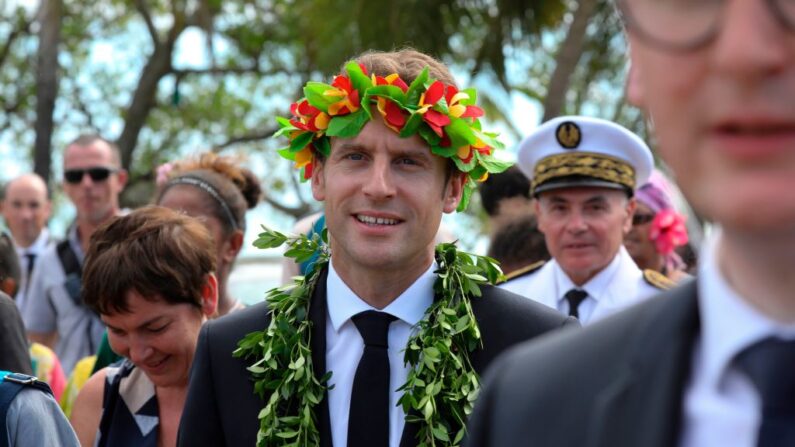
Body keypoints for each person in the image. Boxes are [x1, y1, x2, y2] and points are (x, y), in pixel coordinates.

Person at [178, 49, 577, 447]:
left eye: (408, 162)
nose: (378, 187)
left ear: (453, 188)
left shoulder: (536, 348)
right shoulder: (229, 351)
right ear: (318, 176)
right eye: (356, 156)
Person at [465, 1, 795, 446]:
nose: (744, 54)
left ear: (630, 214)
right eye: (694, 9)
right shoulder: (511, 371)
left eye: (596, 207)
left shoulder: (661, 294)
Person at [500, 116, 673, 325]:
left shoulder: (667, 310)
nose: (576, 226)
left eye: (595, 208)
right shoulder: (505, 303)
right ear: (540, 215)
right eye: (560, 208)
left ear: (628, 214)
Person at [69, 206, 218, 447]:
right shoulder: (102, 399)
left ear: (206, 294)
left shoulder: (257, 390)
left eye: (155, 328)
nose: (138, 354)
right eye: (117, 331)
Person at [23, 134, 127, 375]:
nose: (87, 184)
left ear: (120, 179)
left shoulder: (149, 242)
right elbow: (37, 342)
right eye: (75, 176)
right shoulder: (49, 260)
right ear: (65, 186)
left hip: (138, 396)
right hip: (73, 401)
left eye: (98, 174)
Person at [625, 169, 691, 282]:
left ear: (665, 223)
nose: (627, 227)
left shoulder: (690, 293)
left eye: (637, 218)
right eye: (623, 217)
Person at [0, 173, 54, 310]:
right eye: (17, 205)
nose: (25, 215)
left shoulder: (62, 257)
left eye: (34, 205)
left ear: (47, 209)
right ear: (3, 208)